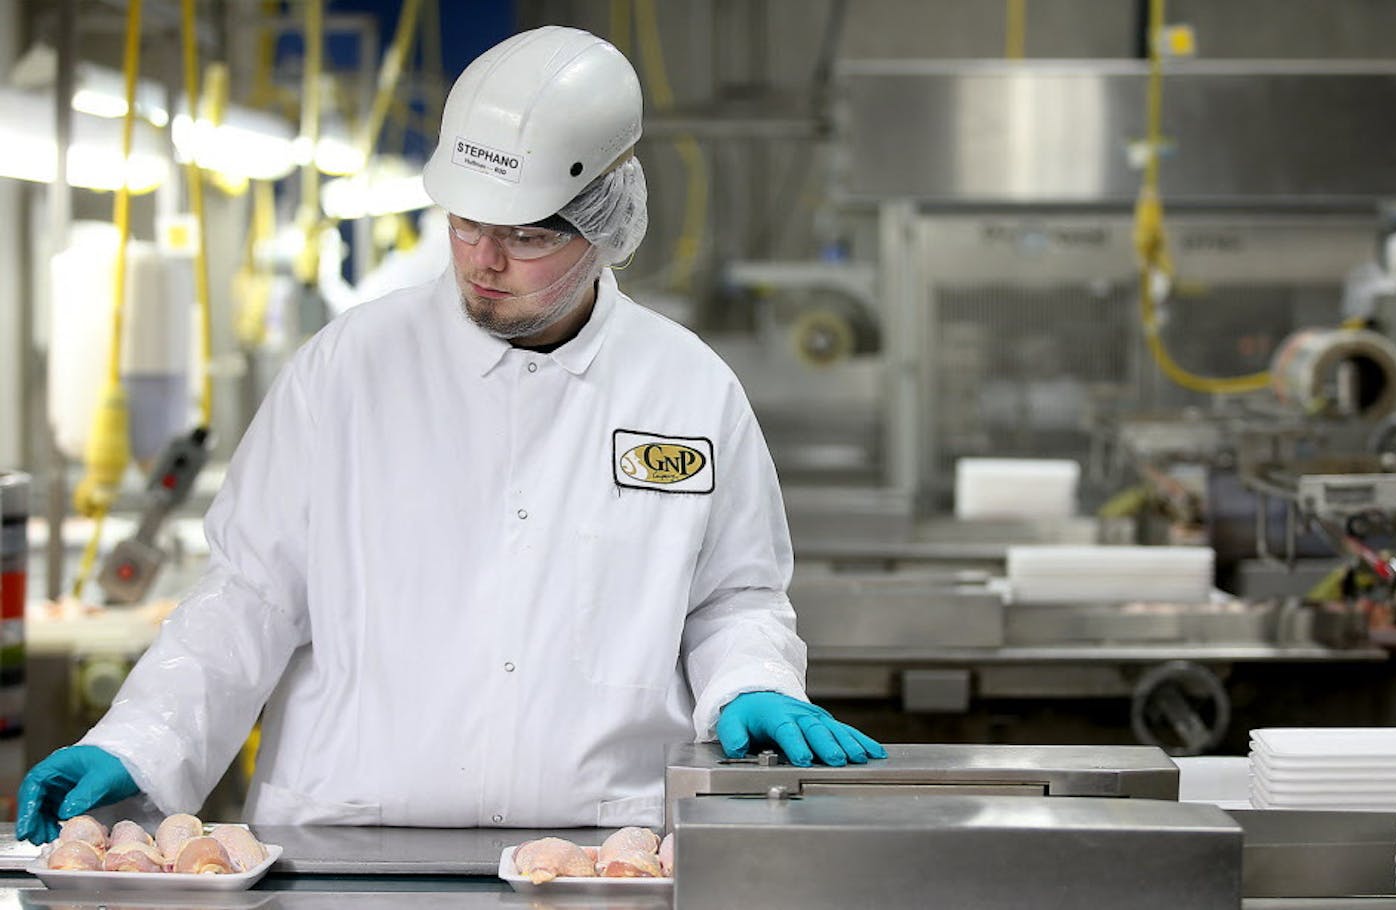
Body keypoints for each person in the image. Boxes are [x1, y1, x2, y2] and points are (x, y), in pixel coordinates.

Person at [16, 25, 884, 844]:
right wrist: (137, 739)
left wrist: (752, 681)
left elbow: (732, 599)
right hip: (348, 843)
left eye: (527, 235)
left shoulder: (688, 390)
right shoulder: (347, 371)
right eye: (465, 222)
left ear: (605, 225)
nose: (482, 261)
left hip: (600, 850)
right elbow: (250, 595)